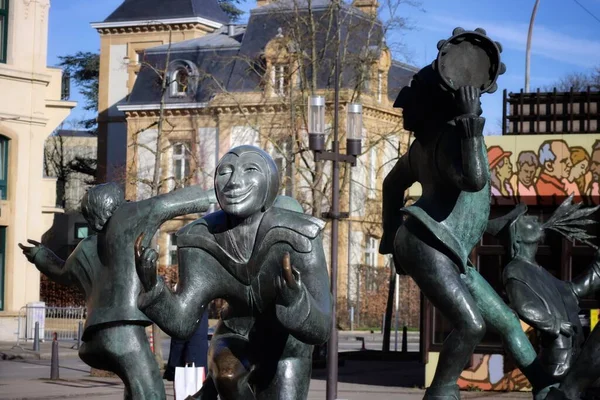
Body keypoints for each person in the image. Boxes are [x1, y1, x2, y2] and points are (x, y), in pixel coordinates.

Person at [380, 63, 550, 399]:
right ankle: (442, 391)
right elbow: (473, 180)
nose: (478, 102)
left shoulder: (423, 148)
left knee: (505, 320)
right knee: (471, 324)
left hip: (443, 247)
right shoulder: (448, 141)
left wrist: (389, 237)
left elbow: (394, 185)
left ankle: (546, 385)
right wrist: (472, 125)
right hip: (427, 242)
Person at [135, 146, 332, 400]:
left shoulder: (300, 236)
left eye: (250, 169)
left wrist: (297, 302)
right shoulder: (200, 238)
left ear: (269, 183)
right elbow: (182, 323)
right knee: (227, 375)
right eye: (225, 171)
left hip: (286, 345)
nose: (234, 181)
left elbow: (322, 327)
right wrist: (153, 289)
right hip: (235, 333)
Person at [19, 182, 216, 400]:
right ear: (116, 207)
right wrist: (211, 196)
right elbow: (163, 204)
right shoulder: (128, 219)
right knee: (151, 392)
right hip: (124, 332)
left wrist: (39, 255)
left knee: (133, 390)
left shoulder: (84, 248)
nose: (128, 204)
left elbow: (60, 271)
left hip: (93, 340)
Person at [487, 195, 600, 381]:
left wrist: (597, 267)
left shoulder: (538, 270)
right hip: (558, 362)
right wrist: (554, 324)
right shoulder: (515, 270)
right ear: (517, 239)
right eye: (525, 220)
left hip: (573, 357)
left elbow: (571, 290)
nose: (533, 218)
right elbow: (524, 306)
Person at [535, 140, 572, 205]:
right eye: (564, 161)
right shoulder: (547, 188)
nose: (570, 164)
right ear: (549, 166)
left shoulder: (556, 185)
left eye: (570, 158)